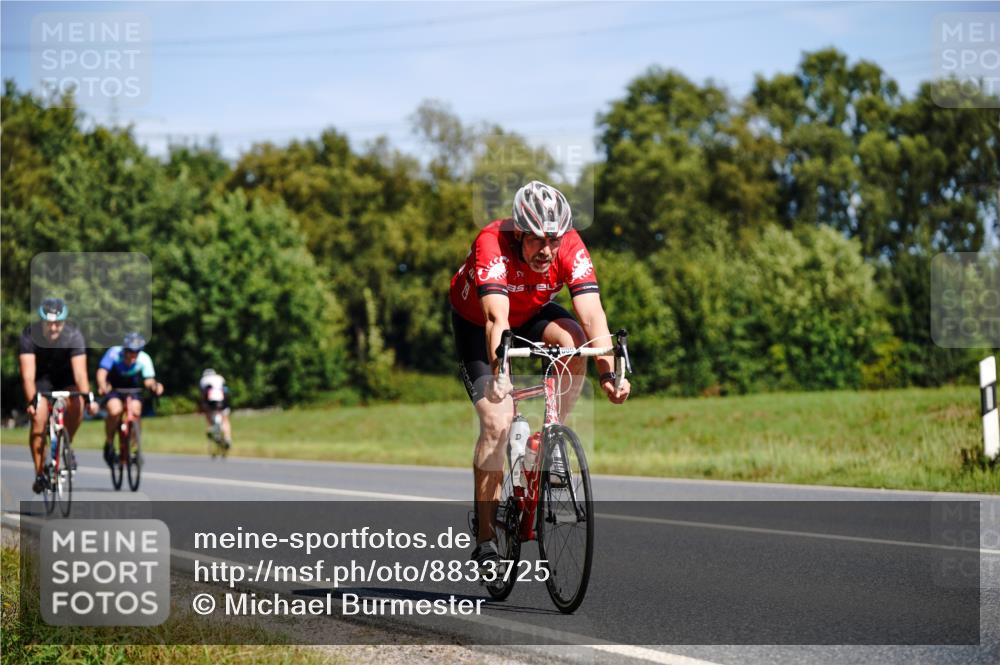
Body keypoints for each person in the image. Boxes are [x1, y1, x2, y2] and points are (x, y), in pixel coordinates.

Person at [449, 180, 631, 571]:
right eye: (536, 240)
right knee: (497, 423)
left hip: (531, 311)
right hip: (479, 323)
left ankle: (546, 441)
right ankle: (485, 539)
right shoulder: (491, 243)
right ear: (518, 234)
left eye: (553, 240)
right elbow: (495, 319)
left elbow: (592, 314)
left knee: (575, 340)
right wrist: (501, 374)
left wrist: (608, 373)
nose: (546, 250)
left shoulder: (571, 245)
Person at [18, 297, 98, 493]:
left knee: (78, 403)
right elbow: (27, 376)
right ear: (42, 321)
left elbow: (80, 374)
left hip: (66, 380)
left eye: (58, 323)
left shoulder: (73, 335)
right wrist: (32, 402)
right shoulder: (29, 335)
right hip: (41, 381)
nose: (53, 328)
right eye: (49, 323)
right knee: (38, 417)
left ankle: (66, 445)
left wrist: (89, 398)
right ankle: (39, 473)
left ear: (64, 322)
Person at [96, 332, 164, 466]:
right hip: (114, 389)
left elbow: (148, 380)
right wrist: (102, 386)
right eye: (130, 352)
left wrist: (155, 386)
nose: (133, 356)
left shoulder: (144, 359)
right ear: (125, 350)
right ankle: (109, 442)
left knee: (136, 410)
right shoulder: (114, 353)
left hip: (133, 390)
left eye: (136, 353)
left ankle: (134, 445)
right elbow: (102, 372)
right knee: (115, 410)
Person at [198, 368, 232, 449]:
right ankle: (227, 438)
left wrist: (203, 407)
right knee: (225, 420)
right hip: (223, 400)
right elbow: (226, 390)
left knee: (208, 414)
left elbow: (203, 395)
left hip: (211, 401)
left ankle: (210, 427)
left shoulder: (203, 380)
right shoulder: (220, 378)